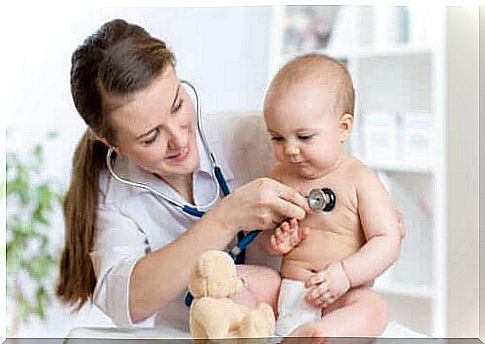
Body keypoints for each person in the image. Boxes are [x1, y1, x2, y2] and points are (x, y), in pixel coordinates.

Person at [55, 19, 313, 331]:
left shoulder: (261, 138)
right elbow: (129, 302)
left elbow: (344, 194)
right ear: (112, 144)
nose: (179, 140)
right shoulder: (113, 195)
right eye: (150, 137)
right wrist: (225, 218)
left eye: (177, 106)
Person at [256, 54, 404, 339]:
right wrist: (276, 241)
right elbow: (261, 236)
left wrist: (346, 275)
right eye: (277, 138)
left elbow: (387, 240)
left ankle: (320, 334)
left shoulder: (360, 179)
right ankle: (244, 326)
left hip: (342, 295)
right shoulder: (278, 177)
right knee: (242, 278)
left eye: (304, 137)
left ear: (343, 128)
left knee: (374, 309)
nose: (290, 150)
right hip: (289, 290)